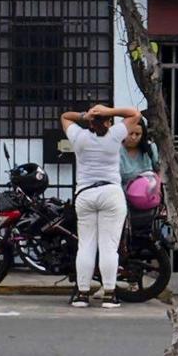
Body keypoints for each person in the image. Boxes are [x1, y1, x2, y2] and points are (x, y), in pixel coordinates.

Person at [60, 100, 142, 306]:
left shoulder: (79, 137)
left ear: (90, 121)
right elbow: (135, 114)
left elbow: (64, 117)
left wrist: (84, 116)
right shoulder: (115, 135)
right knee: (109, 247)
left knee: (86, 245)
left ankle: (82, 294)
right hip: (111, 193)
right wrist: (109, 111)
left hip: (85, 194)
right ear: (108, 121)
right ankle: (109, 294)